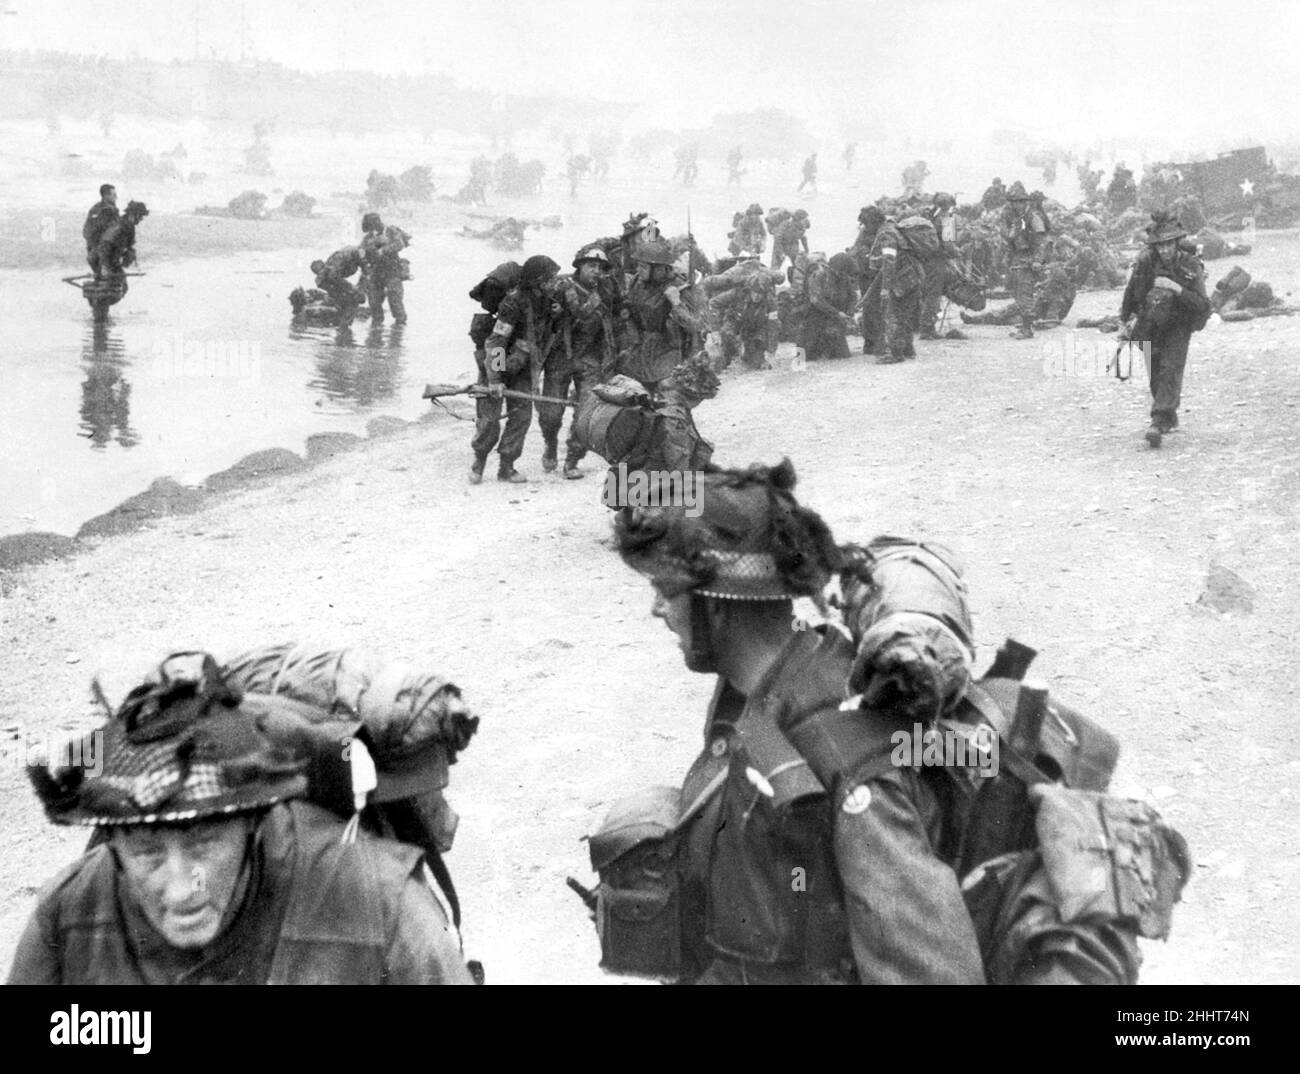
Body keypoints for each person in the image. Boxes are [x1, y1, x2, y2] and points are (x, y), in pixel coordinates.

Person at [581, 459, 1189, 984]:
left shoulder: (853, 765)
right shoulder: (753, 692)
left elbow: (930, 971)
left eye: (666, 588)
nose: (656, 606)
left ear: (721, 602)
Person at [9, 652, 474, 984]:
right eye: (147, 849)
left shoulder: (379, 906)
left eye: (202, 844)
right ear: (112, 842)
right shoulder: (67, 917)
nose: (179, 887)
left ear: (252, 823)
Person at [1119, 211, 1211, 448]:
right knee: (1155, 373)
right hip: (1149, 324)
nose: (1165, 250)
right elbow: (1131, 293)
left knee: (1170, 369)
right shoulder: (1146, 263)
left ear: (1176, 242)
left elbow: (1202, 305)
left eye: (1169, 244)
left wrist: (1176, 288)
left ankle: (1158, 421)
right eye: (1160, 245)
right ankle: (1168, 417)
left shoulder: (1190, 264)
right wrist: (1124, 321)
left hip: (1179, 324)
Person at [474, 254, 559, 483]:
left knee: (522, 417)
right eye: (551, 279)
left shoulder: (546, 302)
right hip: (496, 366)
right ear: (538, 281)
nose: (555, 283)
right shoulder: (513, 303)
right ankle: (479, 460)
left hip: (522, 369)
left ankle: (506, 466)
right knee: (489, 421)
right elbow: (496, 342)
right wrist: (495, 380)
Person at [545, 245, 620, 479]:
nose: (596, 272)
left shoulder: (606, 290)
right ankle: (550, 444)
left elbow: (616, 318)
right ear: (579, 266)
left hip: (589, 358)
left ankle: (572, 459)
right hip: (560, 357)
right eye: (591, 266)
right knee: (551, 413)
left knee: (586, 411)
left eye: (600, 268)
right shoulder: (561, 287)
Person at [618, 240, 710, 392]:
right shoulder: (637, 282)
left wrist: (676, 304)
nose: (638, 270)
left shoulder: (680, 288)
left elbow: (696, 326)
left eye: (644, 266)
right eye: (638, 265)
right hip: (641, 348)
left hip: (669, 351)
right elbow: (630, 306)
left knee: (665, 390)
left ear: (659, 269)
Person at [867, 212, 926, 362]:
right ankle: (907, 349)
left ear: (871, 223)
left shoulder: (886, 234)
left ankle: (895, 353)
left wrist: (885, 288)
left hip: (902, 280)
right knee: (905, 315)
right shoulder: (895, 229)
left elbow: (889, 260)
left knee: (893, 315)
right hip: (914, 276)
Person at [1000, 181, 1050, 339]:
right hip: (1017, 259)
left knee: (1025, 294)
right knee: (1017, 294)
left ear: (1025, 202)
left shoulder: (1033, 217)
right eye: (1014, 202)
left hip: (1029, 260)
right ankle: (1024, 325)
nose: (1017, 205)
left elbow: (1042, 241)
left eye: (1020, 202)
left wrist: (1037, 260)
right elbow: (1008, 237)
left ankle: (1027, 329)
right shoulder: (1015, 218)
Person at [799, 251, 858, 361]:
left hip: (834, 319)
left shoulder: (844, 278)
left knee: (842, 355)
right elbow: (816, 301)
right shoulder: (818, 275)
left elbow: (853, 296)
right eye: (841, 272)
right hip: (815, 318)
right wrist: (837, 313)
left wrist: (850, 310)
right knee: (807, 356)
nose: (843, 275)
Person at [920, 192, 961, 339]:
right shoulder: (947, 219)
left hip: (927, 262)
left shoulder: (931, 218)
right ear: (950, 205)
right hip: (938, 263)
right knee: (934, 295)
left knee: (930, 294)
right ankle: (926, 329)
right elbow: (949, 245)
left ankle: (927, 327)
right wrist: (958, 252)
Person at [360, 212, 410, 324]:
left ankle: (399, 329)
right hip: (376, 271)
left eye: (372, 226)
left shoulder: (390, 231)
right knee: (374, 300)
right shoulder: (369, 237)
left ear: (377, 222)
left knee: (395, 299)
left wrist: (383, 250)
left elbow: (399, 244)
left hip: (392, 269)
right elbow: (361, 250)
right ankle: (376, 327)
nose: (372, 229)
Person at [310, 246, 366, 326]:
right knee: (352, 301)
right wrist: (353, 289)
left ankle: (342, 330)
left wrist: (357, 288)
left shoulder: (353, 257)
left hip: (330, 281)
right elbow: (334, 276)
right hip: (330, 281)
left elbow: (365, 272)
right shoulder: (345, 256)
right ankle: (343, 330)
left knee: (350, 302)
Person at [83, 184, 119, 278]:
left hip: (96, 251)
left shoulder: (96, 208)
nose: (116, 197)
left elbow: (86, 231)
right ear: (105, 196)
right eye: (114, 195)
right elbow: (88, 231)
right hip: (102, 250)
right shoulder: (108, 210)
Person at [770, 208, 809, 273]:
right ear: (798, 219)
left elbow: (803, 237)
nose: (805, 221)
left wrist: (806, 250)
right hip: (781, 246)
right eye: (803, 219)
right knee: (774, 269)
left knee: (799, 266)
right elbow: (777, 238)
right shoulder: (785, 224)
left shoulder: (801, 227)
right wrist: (780, 253)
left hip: (792, 245)